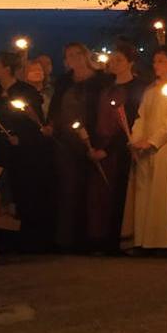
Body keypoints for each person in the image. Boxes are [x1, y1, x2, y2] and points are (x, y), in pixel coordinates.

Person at [121, 48, 167, 251]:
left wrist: (152, 141)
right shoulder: (150, 90)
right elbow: (141, 117)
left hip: (165, 147)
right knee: (145, 193)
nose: (156, 65)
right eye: (155, 61)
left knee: (162, 193)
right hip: (144, 148)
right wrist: (136, 140)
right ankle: (144, 239)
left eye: (161, 61)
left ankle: (164, 240)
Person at [0, 52, 49, 251]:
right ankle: (1, 240)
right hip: (0, 152)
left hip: (22, 154)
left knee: (22, 194)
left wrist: (21, 138)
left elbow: (36, 124)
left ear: (7, 68)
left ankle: (27, 240)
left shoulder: (26, 91)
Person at [48, 43, 109, 251]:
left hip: (90, 140)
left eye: (77, 54)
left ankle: (91, 238)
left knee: (90, 190)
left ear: (85, 56)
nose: (73, 58)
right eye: (69, 55)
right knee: (68, 189)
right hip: (65, 143)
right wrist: (51, 125)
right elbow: (55, 107)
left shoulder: (101, 80)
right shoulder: (64, 82)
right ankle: (67, 239)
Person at [87, 43, 145, 252]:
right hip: (101, 143)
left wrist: (109, 149)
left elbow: (129, 122)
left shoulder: (137, 88)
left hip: (120, 147)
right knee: (99, 195)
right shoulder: (105, 86)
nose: (114, 63)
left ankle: (116, 239)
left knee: (118, 192)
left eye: (119, 59)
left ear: (130, 62)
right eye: (113, 59)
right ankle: (98, 238)